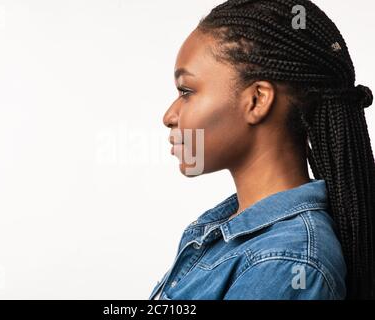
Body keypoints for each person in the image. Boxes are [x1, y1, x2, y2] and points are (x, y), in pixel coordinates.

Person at [150, 0, 374, 300]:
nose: (169, 116)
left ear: (257, 100)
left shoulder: (286, 264)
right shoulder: (227, 232)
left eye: (186, 92)